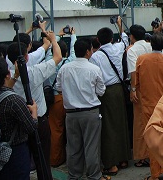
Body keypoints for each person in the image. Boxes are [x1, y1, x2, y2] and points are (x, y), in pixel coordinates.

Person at [7, 30, 62, 180]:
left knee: (20, 161)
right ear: (26, 56)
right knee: (42, 160)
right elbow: (58, 57)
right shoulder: (34, 72)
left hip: (16, 125)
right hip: (38, 120)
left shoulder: (6, 75)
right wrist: (53, 40)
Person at [0, 57, 38, 180]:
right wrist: (34, 113)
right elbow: (31, 127)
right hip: (15, 153)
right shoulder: (14, 100)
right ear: (7, 74)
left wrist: (15, 76)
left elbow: (2, 92)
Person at [55, 38, 108, 180]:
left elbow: (58, 87)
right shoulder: (94, 69)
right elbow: (101, 90)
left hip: (71, 113)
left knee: (73, 147)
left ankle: (74, 175)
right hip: (90, 112)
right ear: (87, 52)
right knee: (91, 146)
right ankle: (94, 175)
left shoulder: (64, 68)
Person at [89, 17, 131, 176]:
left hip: (105, 92)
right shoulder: (118, 48)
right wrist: (120, 25)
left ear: (98, 40)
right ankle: (124, 159)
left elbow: (95, 78)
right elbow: (125, 39)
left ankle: (112, 164)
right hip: (119, 89)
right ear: (112, 38)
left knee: (108, 127)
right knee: (121, 123)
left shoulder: (96, 56)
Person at [135, 32, 163, 180]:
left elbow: (137, 83)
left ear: (150, 44)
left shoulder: (141, 60)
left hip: (148, 105)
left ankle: (155, 174)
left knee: (153, 141)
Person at [48, 27, 77, 167]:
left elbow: (49, 50)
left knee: (56, 130)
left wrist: (57, 37)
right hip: (70, 99)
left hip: (55, 99)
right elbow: (74, 51)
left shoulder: (49, 61)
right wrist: (73, 35)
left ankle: (55, 159)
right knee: (72, 132)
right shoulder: (70, 61)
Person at [127, 24, 152, 168]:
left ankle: (144, 156)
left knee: (141, 122)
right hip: (155, 87)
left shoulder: (133, 50)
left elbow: (133, 72)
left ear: (132, 36)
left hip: (141, 88)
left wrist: (133, 89)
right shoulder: (150, 46)